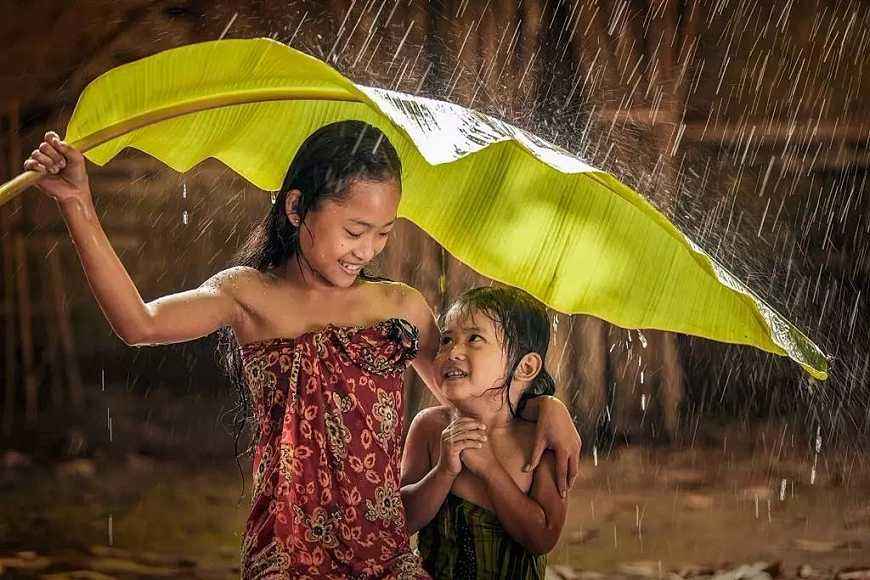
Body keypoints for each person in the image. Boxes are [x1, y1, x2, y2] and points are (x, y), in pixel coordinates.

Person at [24, 121, 580, 579]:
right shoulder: (246, 294)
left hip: (387, 554)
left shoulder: (400, 307)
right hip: (287, 553)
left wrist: (545, 405)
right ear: (297, 209)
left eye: (383, 233)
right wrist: (78, 204)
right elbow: (138, 324)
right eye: (354, 231)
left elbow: (472, 397)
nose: (367, 250)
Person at [400, 286, 567, 579]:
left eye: (474, 338)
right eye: (446, 339)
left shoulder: (540, 442)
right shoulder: (430, 427)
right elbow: (400, 522)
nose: (453, 352)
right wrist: (443, 473)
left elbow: (542, 538)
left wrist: (489, 469)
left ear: (525, 367)